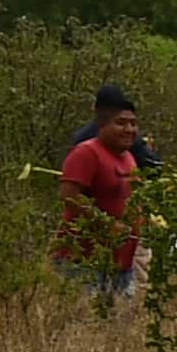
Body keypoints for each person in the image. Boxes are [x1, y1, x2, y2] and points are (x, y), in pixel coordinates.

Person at [57, 83, 149, 305]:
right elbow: (69, 196)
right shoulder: (86, 153)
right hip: (84, 262)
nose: (129, 129)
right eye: (121, 123)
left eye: (133, 124)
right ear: (102, 125)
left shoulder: (129, 158)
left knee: (121, 328)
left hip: (121, 264)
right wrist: (107, 224)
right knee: (84, 327)